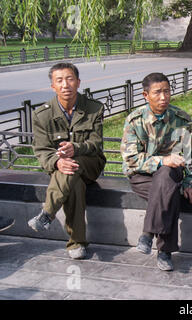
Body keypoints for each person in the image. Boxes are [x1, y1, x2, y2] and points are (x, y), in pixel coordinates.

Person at [121, 72, 192, 272]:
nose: (164, 97)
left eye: (167, 91)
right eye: (157, 92)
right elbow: (131, 159)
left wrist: (191, 183)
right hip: (141, 176)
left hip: (171, 173)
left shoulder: (181, 119)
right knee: (170, 191)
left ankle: (148, 233)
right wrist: (161, 160)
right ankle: (165, 251)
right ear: (145, 95)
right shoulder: (134, 120)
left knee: (166, 176)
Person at [28, 62, 106, 260]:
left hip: (90, 163)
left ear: (78, 82)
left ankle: (47, 213)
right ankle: (77, 243)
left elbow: (96, 143)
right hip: (63, 170)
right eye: (59, 80)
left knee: (74, 164)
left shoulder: (93, 108)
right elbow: (42, 150)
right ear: (52, 86)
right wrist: (56, 162)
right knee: (73, 181)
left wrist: (77, 148)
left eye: (70, 79)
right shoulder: (42, 115)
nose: (65, 85)